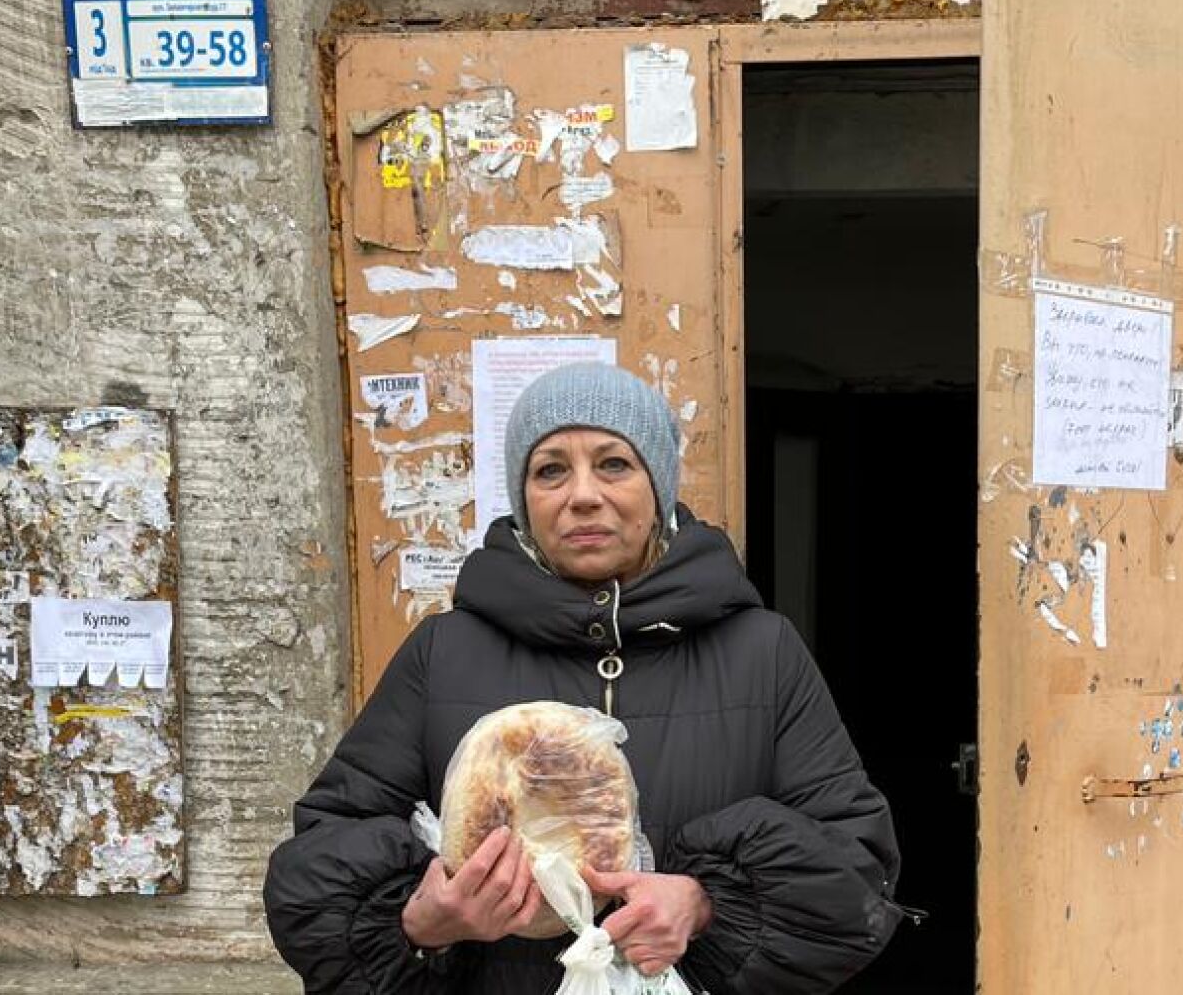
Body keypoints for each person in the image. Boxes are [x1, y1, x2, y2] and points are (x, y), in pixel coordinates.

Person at [264, 363, 903, 993]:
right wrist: (420, 923)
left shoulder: (761, 652)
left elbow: (855, 873)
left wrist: (705, 904)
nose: (583, 495)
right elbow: (320, 866)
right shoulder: (445, 652)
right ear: (524, 501)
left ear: (658, 486)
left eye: (614, 463)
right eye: (550, 470)